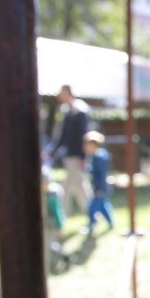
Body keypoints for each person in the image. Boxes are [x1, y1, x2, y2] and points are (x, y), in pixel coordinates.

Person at [49, 84, 92, 216]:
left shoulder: (80, 110)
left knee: (75, 185)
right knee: (75, 185)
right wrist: (53, 150)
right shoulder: (65, 111)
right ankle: (89, 213)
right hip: (69, 155)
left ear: (68, 92)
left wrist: (83, 157)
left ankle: (90, 212)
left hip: (77, 156)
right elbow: (63, 135)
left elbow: (83, 136)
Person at [83, 131, 114, 234]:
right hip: (99, 187)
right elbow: (95, 171)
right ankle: (111, 223)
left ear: (94, 145)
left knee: (92, 208)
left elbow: (101, 175)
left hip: (100, 188)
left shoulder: (100, 157)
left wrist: (99, 189)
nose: (85, 147)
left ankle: (92, 224)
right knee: (102, 207)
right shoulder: (96, 156)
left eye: (87, 145)